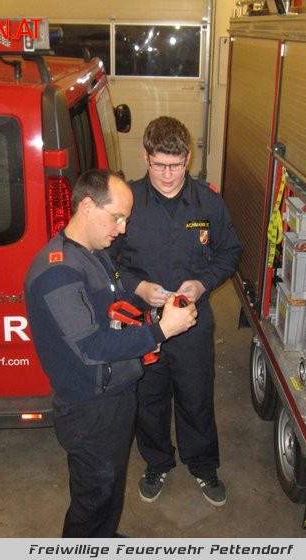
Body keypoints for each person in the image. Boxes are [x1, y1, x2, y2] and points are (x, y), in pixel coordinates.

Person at [24, 169, 197, 537]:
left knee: (111, 483)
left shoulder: (92, 254)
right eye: (117, 217)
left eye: (126, 219)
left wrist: (149, 314)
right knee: (93, 496)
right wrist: (162, 331)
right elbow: (92, 347)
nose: (122, 229)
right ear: (87, 206)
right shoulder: (58, 272)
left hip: (114, 396)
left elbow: (112, 312)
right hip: (90, 409)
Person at [110, 117, 242, 506]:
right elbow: (105, 258)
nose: (168, 176)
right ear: (145, 157)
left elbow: (229, 251)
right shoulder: (127, 202)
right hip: (143, 325)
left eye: (176, 165)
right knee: (148, 399)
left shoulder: (208, 202)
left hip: (191, 324)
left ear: (188, 158)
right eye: (159, 165)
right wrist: (137, 287)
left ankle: (203, 465)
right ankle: (157, 463)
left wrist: (202, 284)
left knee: (195, 396)